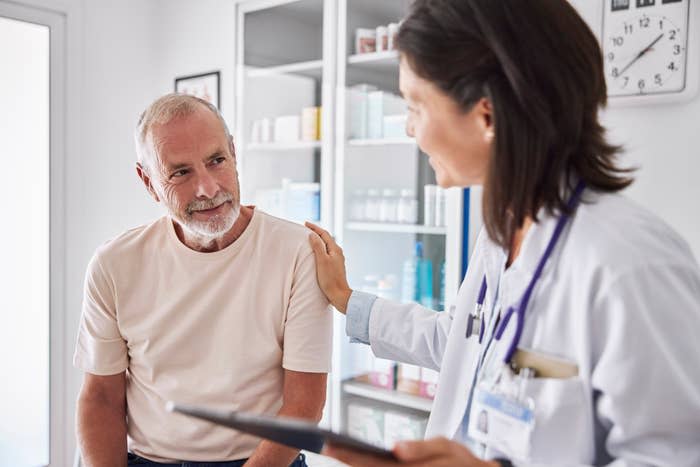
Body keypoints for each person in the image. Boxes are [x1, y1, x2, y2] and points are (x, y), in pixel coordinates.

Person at [306, 1, 700, 466]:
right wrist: (348, 300)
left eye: (415, 105)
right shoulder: (502, 234)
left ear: (486, 115)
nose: (410, 128)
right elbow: (465, 345)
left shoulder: (629, 263)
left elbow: (670, 457)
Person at [74, 94, 332, 467]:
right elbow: (100, 397)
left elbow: (304, 406)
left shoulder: (299, 253)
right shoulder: (114, 263)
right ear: (148, 182)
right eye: (180, 172)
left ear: (234, 153)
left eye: (216, 161)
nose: (208, 188)